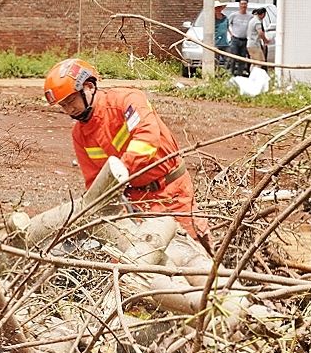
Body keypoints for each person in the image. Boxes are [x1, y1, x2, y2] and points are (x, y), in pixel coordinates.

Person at [43, 57, 211, 247]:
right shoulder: (80, 135)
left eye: (71, 101)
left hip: (171, 191)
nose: (69, 109)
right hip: (135, 200)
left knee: (193, 251)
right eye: (63, 105)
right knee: (140, 258)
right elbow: (94, 182)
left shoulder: (126, 101)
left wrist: (120, 170)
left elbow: (148, 138)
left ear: (89, 87)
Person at [227, 0, 252, 76]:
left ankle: (240, 74)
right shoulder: (234, 15)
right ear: (239, 5)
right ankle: (230, 74)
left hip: (245, 40)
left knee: (242, 58)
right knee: (233, 57)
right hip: (235, 39)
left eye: (245, 4)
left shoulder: (250, 16)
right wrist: (231, 33)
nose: (243, 6)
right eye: (242, 4)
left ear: (247, 6)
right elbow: (227, 25)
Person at [213, 4, 231, 72]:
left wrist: (231, 35)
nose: (218, 9)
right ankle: (215, 74)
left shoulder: (225, 18)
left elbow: (228, 28)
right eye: (216, 8)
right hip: (216, 43)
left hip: (225, 42)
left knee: (228, 59)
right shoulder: (212, 19)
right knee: (215, 60)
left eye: (219, 8)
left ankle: (225, 73)